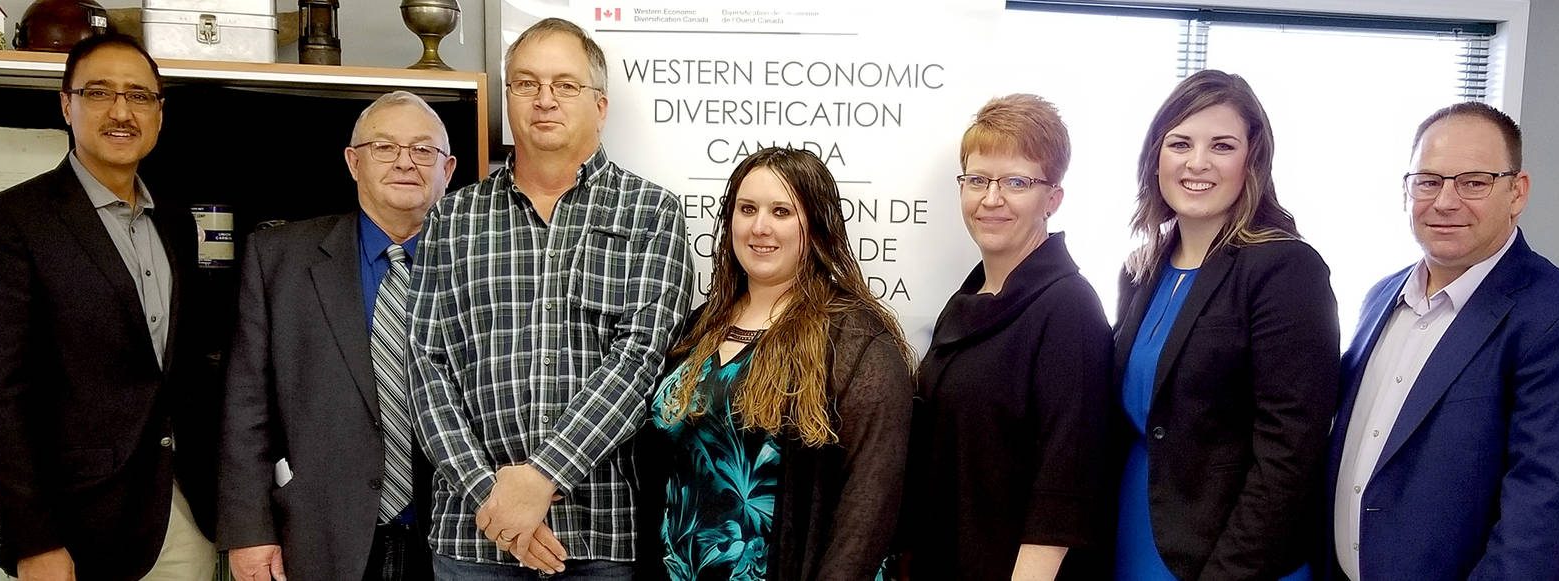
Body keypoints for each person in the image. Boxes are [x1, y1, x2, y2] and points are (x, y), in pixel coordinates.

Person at [408, 17, 692, 580]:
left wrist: (542, 476)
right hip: (473, 534)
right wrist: (493, 499)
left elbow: (643, 360)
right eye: (526, 84)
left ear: (601, 106)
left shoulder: (651, 213)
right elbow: (425, 364)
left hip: (599, 535)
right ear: (507, 96)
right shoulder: (452, 216)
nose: (544, 100)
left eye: (565, 85)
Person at [1323, 102, 1559, 581]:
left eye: (1474, 182)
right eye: (1429, 181)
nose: (1445, 201)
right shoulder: (1381, 296)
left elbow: (1541, 522)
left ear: (1516, 192)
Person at [0, 33, 222, 580]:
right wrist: (33, 541)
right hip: (71, 526)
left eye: (140, 95)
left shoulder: (176, 222)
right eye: (100, 93)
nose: (122, 111)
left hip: (178, 513)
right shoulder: (11, 222)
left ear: (158, 111)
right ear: (66, 104)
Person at [632, 147, 915, 581]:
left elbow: (871, 503)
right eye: (747, 209)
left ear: (816, 227)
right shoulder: (699, 326)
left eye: (781, 211)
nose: (760, 227)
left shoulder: (854, 339)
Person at [216, 91, 459, 581]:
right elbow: (246, 408)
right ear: (353, 161)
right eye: (384, 148)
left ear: (447, 170)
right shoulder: (278, 258)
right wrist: (248, 531)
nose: (404, 163)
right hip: (318, 532)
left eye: (422, 150)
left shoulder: (479, 264)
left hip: (455, 536)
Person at [1109, 70, 1341, 580]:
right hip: (1137, 530)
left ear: (1252, 159)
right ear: (1155, 157)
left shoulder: (1286, 269)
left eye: (1222, 145)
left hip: (1236, 556)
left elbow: (1290, 454)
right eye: (1180, 143)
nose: (1198, 163)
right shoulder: (1141, 268)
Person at [903, 94, 1112, 581]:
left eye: (1017, 182)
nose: (991, 198)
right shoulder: (969, 297)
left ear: (1053, 198)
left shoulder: (1069, 308)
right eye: (977, 180)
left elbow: (1063, 494)